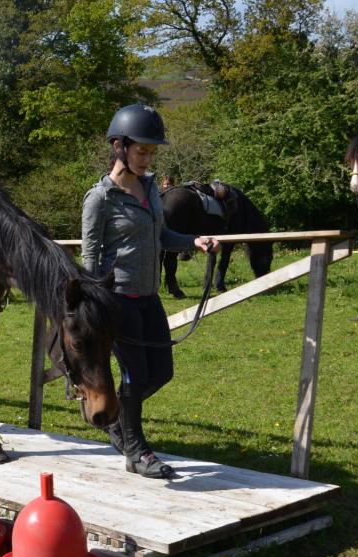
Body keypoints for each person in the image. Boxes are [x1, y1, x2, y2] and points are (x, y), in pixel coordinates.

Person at [81, 104, 219, 479]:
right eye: (141, 150)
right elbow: (90, 260)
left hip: (149, 296)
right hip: (118, 300)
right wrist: (91, 312)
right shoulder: (100, 199)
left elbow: (160, 237)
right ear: (119, 147)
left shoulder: (150, 190)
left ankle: (115, 422)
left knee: (162, 372)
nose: (147, 158)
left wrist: (194, 240)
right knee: (135, 377)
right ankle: (137, 451)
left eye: (152, 152)